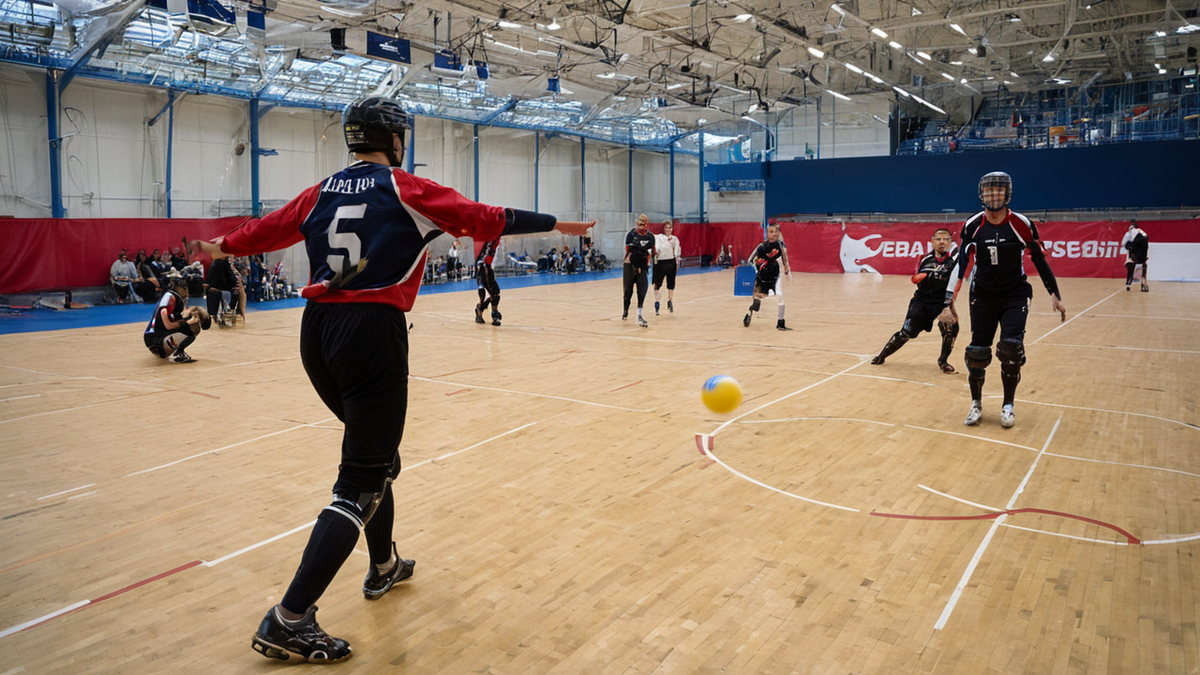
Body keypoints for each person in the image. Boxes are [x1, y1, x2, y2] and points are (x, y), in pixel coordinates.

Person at [191, 97, 593, 664]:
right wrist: (556, 224)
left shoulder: (321, 191)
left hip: (316, 332)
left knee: (379, 460)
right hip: (371, 331)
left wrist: (222, 245)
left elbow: (267, 230)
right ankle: (290, 618)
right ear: (395, 139)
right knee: (360, 479)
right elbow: (485, 218)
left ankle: (383, 566)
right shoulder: (405, 188)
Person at [946, 171, 1067, 429]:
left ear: (1007, 194)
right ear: (981, 195)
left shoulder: (1021, 223)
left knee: (1011, 349)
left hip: (1015, 293)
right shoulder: (973, 225)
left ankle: (1008, 405)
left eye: (999, 191)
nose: (994, 196)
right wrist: (949, 300)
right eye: (989, 191)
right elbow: (962, 262)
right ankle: (976, 403)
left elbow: (1038, 258)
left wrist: (1054, 293)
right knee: (977, 352)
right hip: (982, 294)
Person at [871, 228, 960, 373]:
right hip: (922, 301)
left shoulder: (954, 261)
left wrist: (948, 304)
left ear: (950, 242)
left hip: (940, 302)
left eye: (946, 239)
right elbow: (916, 279)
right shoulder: (925, 259)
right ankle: (882, 355)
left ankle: (943, 361)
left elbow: (955, 282)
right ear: (932, 241)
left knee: (951, 329)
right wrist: (928, 276)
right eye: (938, 239)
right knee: (906, 333)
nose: (942, 242)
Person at [143, 271, 209, 363]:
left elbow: (179, 316)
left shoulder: (173, 297)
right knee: (191, 328)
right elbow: (168, 325)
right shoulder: (170, 298)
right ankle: (176, 354)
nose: (186, 290)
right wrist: (187, 322)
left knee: (189, 326)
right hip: (156, 340)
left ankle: (176, 351)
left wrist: (193, 312)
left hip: (156, 338)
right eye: (183, 287)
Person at [743, 223, 792, 330]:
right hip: (763, 277)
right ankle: (750, 313)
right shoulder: (762, 247)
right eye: (771, 232)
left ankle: (780, 322)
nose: (774, 234)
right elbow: (750, 260)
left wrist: (787, 271)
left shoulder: (781, 246)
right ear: (767, 233)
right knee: (757, 301)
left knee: (780, 297)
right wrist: (757, 266)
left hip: (775, 276)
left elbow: (785, 258)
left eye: (776, 231)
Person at [622, 214, 655, 327]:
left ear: (647, 225)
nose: (641, 227)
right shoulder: (631, 235)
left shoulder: (650, 237)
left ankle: (639, 313)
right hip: (630, 265)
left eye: (644, 224)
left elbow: (652, 251)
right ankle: (625, 309)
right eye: (640, 224)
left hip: (643, 266)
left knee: (642, 289)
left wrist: (651, 263)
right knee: (628, 290)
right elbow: (630, 251)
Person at [652, 220, 681, 315]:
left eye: (670, 228)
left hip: (670, 262)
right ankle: (657, 302)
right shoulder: (659, 238)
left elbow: (676, 252)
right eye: (666, 228)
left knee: (671, 283)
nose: (668, 230)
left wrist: (676, 263)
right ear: (663, 229)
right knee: (657, 283)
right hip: (660, 263)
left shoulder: (675, 239)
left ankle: (670, 300)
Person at [474, 235, 503, 326]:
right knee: (484, 292)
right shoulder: (487, 239)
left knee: (495, 293)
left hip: (487, 266)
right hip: (483, 266)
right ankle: (481, 309)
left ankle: (490, 311)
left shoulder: (495, 237)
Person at [1121, 220, 1149, 292]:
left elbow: (1123, 243)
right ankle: (1142, 283)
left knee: (1131, 267)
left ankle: (1129, 283)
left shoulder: (1129, 233)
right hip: (1141, 252)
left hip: (1135, 252)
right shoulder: (1140, 231)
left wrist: (1130, 247)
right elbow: (1146, 238)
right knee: (1143, 266)